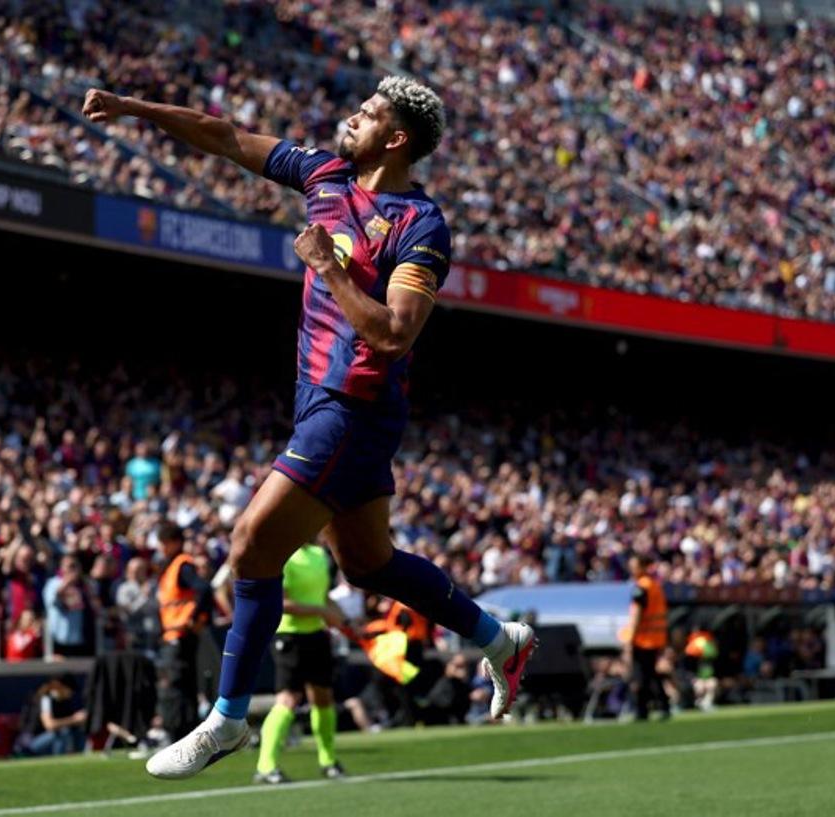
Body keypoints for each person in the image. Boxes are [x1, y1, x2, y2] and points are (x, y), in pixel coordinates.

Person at [84, 74, 537, 780]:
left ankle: (229, 720)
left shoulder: (420, 226)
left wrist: (328, 268)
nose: (348, 118)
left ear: (396, 138)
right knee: (368, 563)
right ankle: (497, 637)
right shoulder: (322, 174)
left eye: (367, 113)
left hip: (353, 407)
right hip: (319, 403)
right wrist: (132, 108)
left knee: (250, 543)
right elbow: (225, 136)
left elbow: (392, 334)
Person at [254, 543, 346, 785]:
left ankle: (328, 761)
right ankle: (266, 765)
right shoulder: (283, 557)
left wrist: (346, 621)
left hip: (316, 635)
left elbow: (324, 596)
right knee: (288, 699)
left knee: (323, 697)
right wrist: (321, 611)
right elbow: (281, 603)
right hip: (289, 636)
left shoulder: (319, 555)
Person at [155, 522, 213, 741]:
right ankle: (188, 733)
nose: (161, 548)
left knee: (175, 684)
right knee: (186, 684)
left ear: (174, 543)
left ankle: (177, 732)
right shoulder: (173, 566)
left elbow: (204, 589)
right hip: (176, 634)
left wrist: (194, 618)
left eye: (164, 543)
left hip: (180, 634)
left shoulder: (182, 566)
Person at [625, 553, 670, 721]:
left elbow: (636, 615)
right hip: (656, 638)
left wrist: (630, 638)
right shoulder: (655, 586)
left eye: (634, 565)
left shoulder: (641, 587)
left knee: (641, 676)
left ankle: (642, 710)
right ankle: (663, 706)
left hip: (643, 639)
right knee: (651, 673)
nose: (632, 569)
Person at [17, 674, 87, 757]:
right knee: (63, 732)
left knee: (79, 730)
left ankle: (78, 758)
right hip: (31, 743)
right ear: (60, 686)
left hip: (50, 742)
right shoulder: (45, 699)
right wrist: (74, 719)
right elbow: (49, 725)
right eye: (69, 690)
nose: (70, 694)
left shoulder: (64, 702)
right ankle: (58, 762)